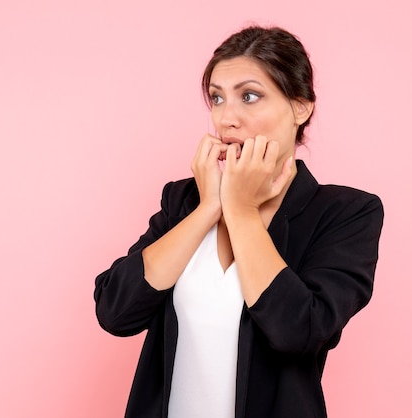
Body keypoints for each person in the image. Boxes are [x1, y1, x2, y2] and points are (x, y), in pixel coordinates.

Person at [93, 25, 384, 418]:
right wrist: (209, 208)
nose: (226, 118)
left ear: (301, 107)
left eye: (249, 96)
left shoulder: (345, 213)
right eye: (216, 98)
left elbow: (299, 331)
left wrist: (242, 211)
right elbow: (116, 311)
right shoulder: (184, 199)